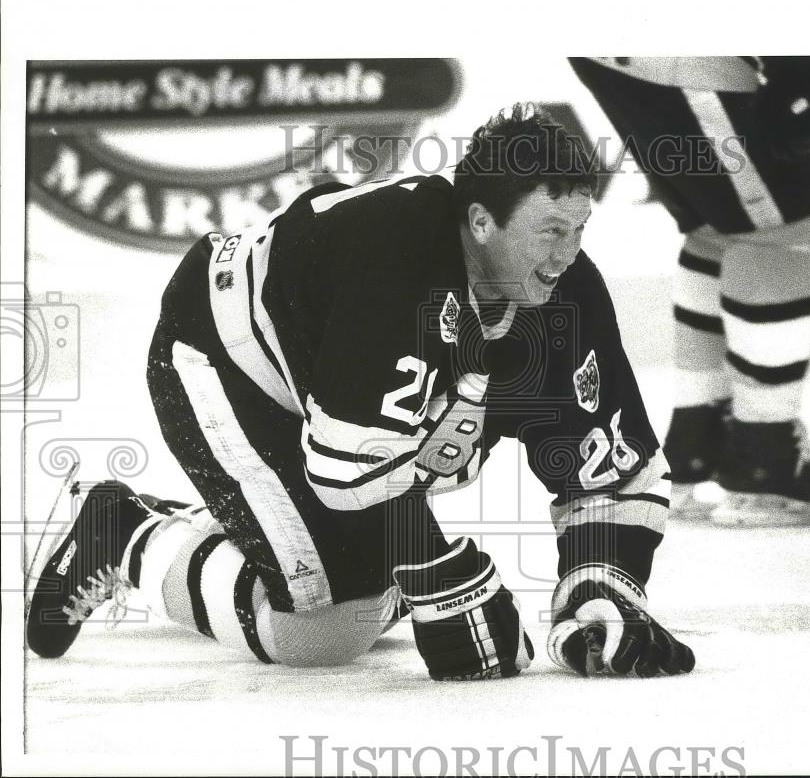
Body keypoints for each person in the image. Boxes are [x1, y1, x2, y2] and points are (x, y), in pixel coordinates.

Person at [26, 104, 694, 680]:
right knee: (325, 632)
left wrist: (598, 592)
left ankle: (264, 538)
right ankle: (129, 532)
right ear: (482, 221)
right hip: (225, 359)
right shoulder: (399, 269)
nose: (566, 255)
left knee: (369, 583)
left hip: (332, 402)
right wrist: (448, 587)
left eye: (579, 231)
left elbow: (612, 468)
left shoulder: (563, 293)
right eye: (551, 231)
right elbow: (350, 474)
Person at [569, 57, 810, 526]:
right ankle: (765, 460)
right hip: (681, 48)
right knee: (781, 222)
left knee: (718, 223)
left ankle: (698, 445)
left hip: (625, 48)